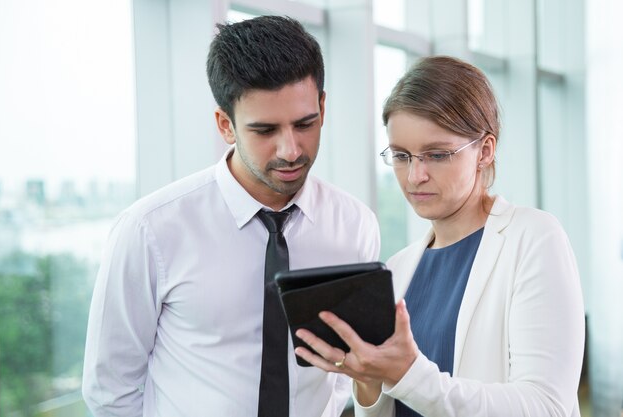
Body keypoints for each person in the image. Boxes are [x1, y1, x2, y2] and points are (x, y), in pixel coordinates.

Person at [81, 15, 380, 417]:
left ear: (322, 107)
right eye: (265, 130)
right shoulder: (150, 230)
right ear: (225, 124)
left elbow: (344, 367)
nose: (291, 150)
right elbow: (109, 389)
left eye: (304, 124)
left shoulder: (354, 225)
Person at [294, 56, 585, 417]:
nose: (415, 176)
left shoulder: (534, 238)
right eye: (402, 155)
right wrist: (368, 380)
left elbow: (546, 407)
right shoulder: (399, 268)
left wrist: (408, 374)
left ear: (485, 150)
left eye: (437, 155)